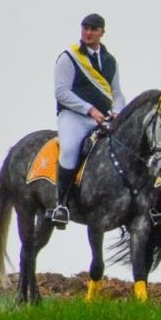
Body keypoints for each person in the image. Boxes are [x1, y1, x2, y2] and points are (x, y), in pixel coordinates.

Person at [50, 13, 125, 228]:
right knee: (70, 149)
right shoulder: (69, 56)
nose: (88, 32)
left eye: (93, 29)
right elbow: (61, 92)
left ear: (102, 32)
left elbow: (117, 93)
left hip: (102, 118)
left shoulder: (110, 61)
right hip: (73, 116)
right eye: (85, 28)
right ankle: (61, 204)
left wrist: (119, 111)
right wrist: (89, 109)